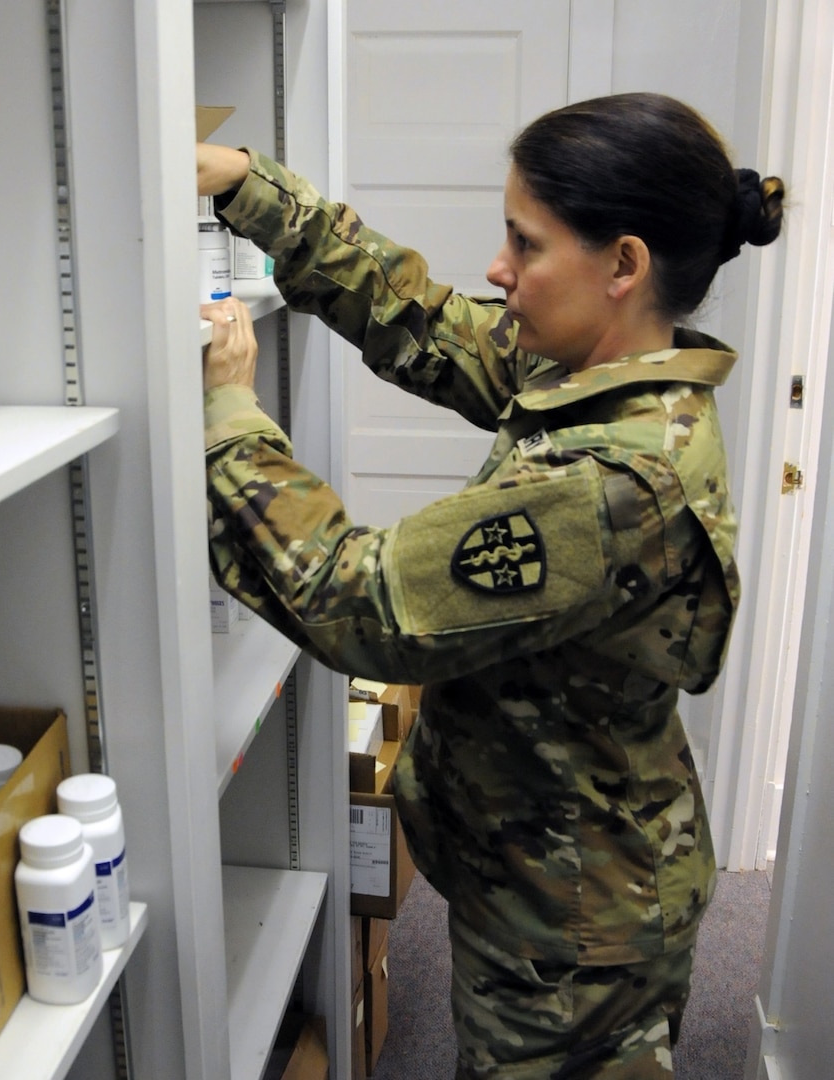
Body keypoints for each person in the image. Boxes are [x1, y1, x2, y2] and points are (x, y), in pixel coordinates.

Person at [197, 92, 785, 1079]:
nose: (497, 268)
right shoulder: (617, 373)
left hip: (572, 930)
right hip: (548, 868)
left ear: (623, 266)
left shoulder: (611, 480)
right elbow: (428, 324)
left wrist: (228, 419)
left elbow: (357, 600)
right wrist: (251, 190)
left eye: (526, 242)